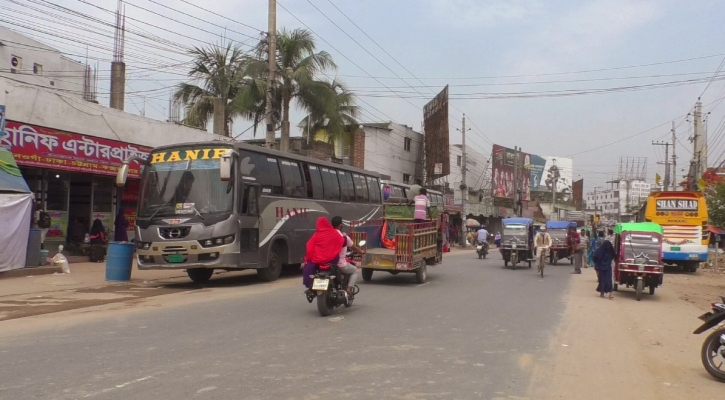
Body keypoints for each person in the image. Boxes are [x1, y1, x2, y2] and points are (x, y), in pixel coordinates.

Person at [302, 217, 346, 293]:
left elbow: (309, 246)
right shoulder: (333, 232)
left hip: (318, 260)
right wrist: (344, 236)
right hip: (331, 259)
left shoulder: (316, 235)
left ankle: (310, 285)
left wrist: (308, 258)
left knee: (310, 266)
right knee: (336, 269)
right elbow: (343, 242)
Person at [331, 216, 365, 299]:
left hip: (326, 262)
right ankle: (349, 290)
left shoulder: (327, 235)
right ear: (340, 225)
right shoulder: (344, 237)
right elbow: (353, 247)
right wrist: (361, 252)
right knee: (355, 270)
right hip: (339, 264)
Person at [593, 233, 616, 299]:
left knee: (606, 280)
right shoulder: (608, 252)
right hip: (604, 268)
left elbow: (595, 257)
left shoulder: (601, 251)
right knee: (604, 280)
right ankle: (604, 293)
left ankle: (607, 293)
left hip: (605, 268)